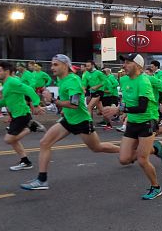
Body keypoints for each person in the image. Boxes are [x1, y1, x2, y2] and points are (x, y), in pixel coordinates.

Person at [20, 55, 120, 190]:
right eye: (51, 64)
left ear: (65, 65)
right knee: (44, 142)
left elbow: (74, 104)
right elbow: (68, 101)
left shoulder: (73, 80)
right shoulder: (61, 80)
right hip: (68, 119)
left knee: (97, 147)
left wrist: (53, 100)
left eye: (56, 64)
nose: (52, 67)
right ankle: (42, 180)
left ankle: (129, 152)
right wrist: (52, 105)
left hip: (81, 121)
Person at [103, 54, 162, 199]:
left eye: (128, 62)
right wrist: (120, 109)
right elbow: (126, 100)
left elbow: (142, 108)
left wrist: (119, 111)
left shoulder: (144, 82)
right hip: (132, 121)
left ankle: (156, 187)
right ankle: (156, 147)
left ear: (138, 66)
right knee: (124, 159)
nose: (124, 65)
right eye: (124, 62)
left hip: (147, 121)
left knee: (142, 159)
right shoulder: (124, 79)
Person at [0, 62, 44, 171]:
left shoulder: (12, 81)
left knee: (8, 139)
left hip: (22, 114)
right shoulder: (6, 84)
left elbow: (28, 89)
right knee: (14, 140)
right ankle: (25, 162)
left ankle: (31, 127)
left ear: (7, 71)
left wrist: (37, 104)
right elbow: (5, 101)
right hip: (16, 115)